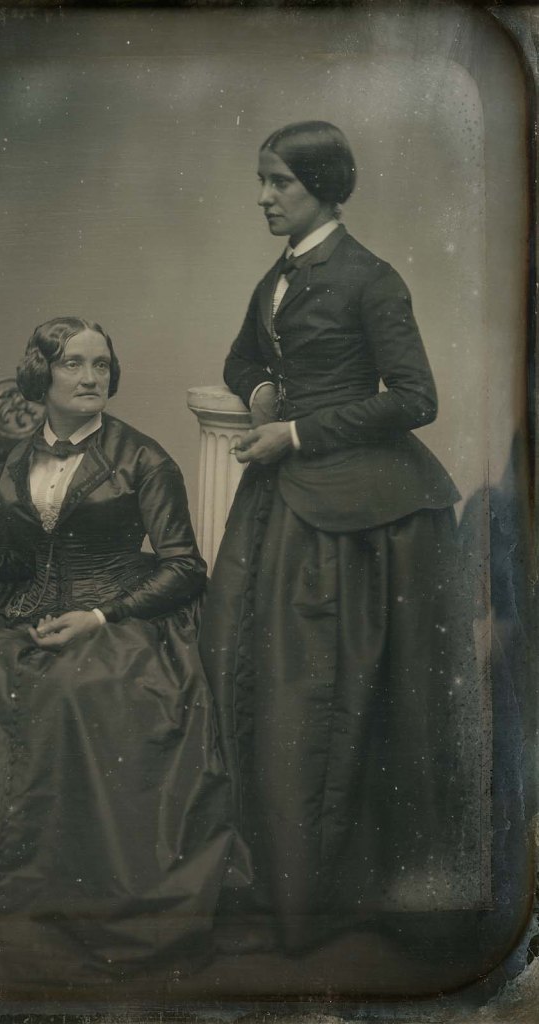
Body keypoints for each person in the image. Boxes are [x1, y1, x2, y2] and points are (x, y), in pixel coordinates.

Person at [0, 316, 246, 980]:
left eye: (100, 364)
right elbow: (14, 557)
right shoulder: (17, 457)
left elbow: (184, 567)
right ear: (43, 372)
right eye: (73, 363)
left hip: (121, 619)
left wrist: (98, 616)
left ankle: (77, 905)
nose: (90, 377)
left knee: (77, 692)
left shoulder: (143, 457)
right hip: (25, 612)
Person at [200, 122, 480, 955]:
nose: (263, 196)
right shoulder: (276, 277)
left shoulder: (369, 279)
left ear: (321, 185)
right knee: (261, 681)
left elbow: (415, 398)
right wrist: (258, 398)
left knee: (330, 697)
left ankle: (348, 898)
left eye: (278, 183)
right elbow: (239, 359)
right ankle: (283, 886)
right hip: (283, 506)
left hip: (363, 518)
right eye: (262, 181)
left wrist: (297, 433)